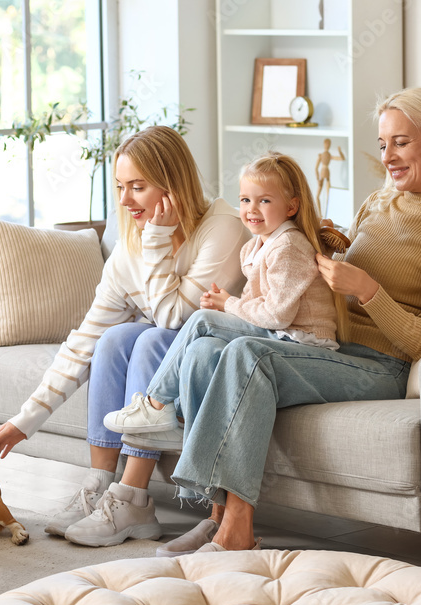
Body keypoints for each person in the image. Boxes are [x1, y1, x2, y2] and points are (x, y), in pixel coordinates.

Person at [103, 87, 421, 555]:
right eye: (384, 143)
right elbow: (326, 275)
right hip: (325, 347)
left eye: (401, 142)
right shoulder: (377, 205)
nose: (388, 155)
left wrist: (367, 290)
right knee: (205, 347)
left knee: (249, 352)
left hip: (380, 365)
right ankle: (216, 515)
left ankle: (239, 528)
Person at [0, 125, 251, 548]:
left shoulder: (224, 229)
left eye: (137, 187)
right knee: (114, 338)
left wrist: (158, 240)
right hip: (172, 361)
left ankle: (133, 496)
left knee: (148, 339)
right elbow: (85, 340)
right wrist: (24, 421)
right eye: (121, 187)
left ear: (173, 185)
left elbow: (175, 321)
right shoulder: (130, 246)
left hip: (217, 359)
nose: (124, 200)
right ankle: (101, 486)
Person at [104, 152, 345, 454]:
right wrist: (224, 308)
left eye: (264, 201)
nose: (251, 209)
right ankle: (179, 425)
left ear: (292, 206)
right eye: (245, 200)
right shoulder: (254, 247)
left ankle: (155, 404)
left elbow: (277, 315)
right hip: (279, 337)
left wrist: (228, 305)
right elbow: (254, 306)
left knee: (202, 321)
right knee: (204, 341)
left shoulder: (289, 246)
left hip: (304, 343)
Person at [314, 138, 346, 217]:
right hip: (322, 174)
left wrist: (339, 151)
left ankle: (327, 214)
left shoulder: (329, 156)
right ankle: (320, 214)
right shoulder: (321, 155)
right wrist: (318, 179)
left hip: (327, 174)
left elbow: (342, 158)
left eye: (328, 145)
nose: (327, 146)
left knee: (329, 195)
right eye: (326, 144)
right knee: (317, 195)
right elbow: (316, 168)